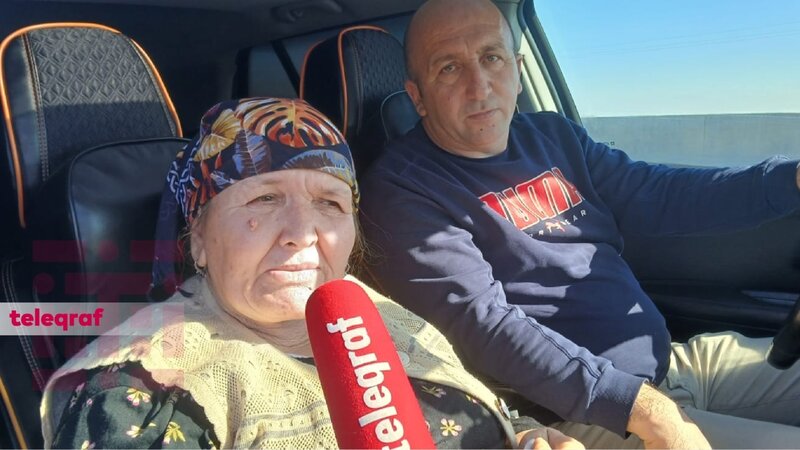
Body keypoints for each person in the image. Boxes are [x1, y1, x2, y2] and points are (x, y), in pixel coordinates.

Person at [357, 0, 800, 448]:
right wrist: (644, 408)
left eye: (492, 58)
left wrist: (791, 180)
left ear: (518, 69)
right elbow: (485, 328)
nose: (480, 86)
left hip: (672, 366)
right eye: (449, 68)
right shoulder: (402, 190)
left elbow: (659, 191)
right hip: (582, 416)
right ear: (417, 96)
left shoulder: (551, 135)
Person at [39, 97, 583, 449]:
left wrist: (528, 437)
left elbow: (476, 407)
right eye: (265, 197)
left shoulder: (369, 306)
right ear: (198, 238)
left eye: (329, 204)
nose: (304, 233)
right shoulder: (138, 391)